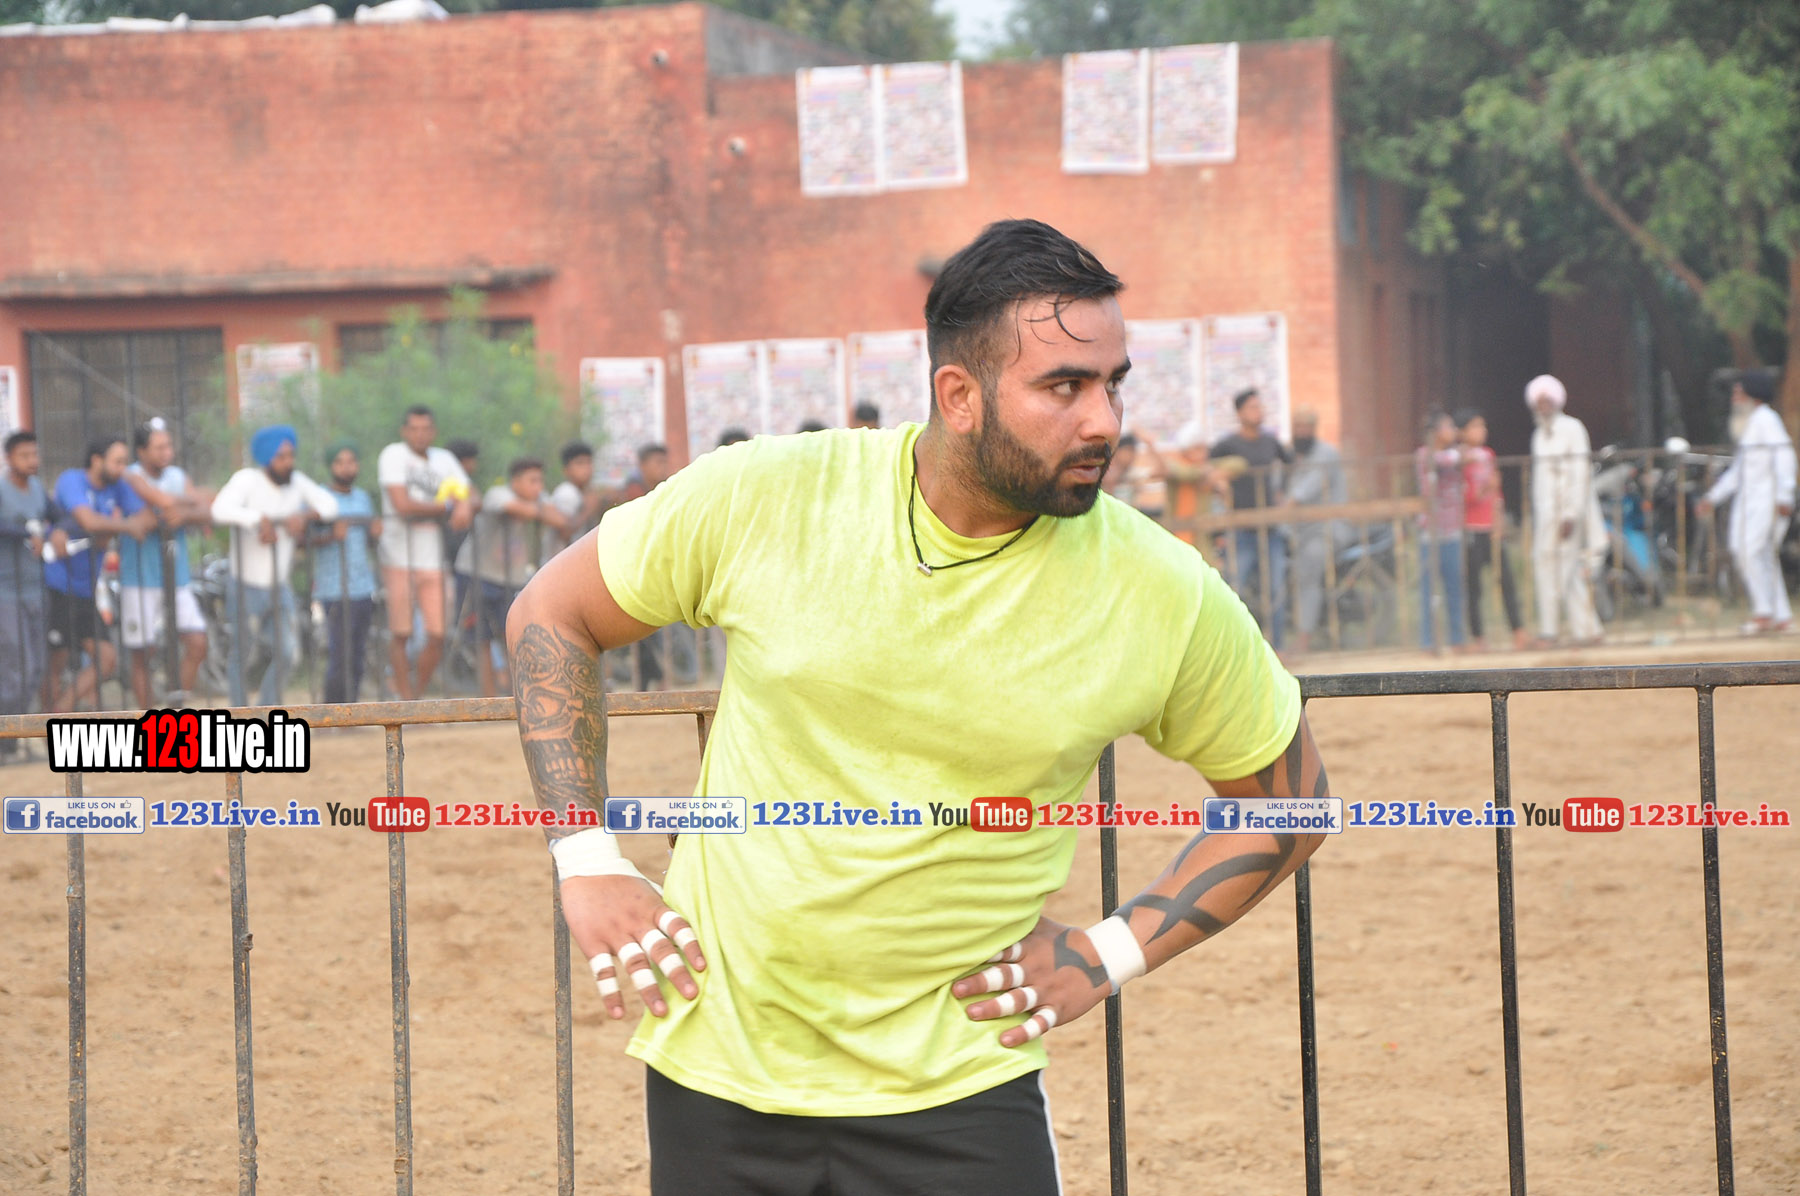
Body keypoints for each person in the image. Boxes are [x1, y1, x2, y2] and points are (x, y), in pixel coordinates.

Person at [504, 218, 1330, 1196]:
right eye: (1064, 387)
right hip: (719, 1062)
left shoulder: (1160, 589)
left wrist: (1108, 950)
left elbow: (1291, 802)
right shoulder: (771, 495)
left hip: (963, 1082)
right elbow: (552, 611)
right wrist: (586, 857)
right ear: (959, 396)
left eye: (1114, 384)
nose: (1104, 421)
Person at [210, 425, 339, 705]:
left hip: (278, 586)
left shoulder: (297, 482)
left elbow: (330, 504)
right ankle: (239, 714)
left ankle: (264, 710)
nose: (288, 462)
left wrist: (305, 516)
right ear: (267, 457)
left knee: (289, 653)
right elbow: (219, 510)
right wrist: (258, 519)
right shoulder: (247, 480)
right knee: (242, 654)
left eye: (291, 455)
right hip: (244, 584)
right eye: (281, 457)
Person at [46, 436, 156, 711]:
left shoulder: (118, 485)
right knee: (55, 661)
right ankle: (45, 722)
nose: (123, 468)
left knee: (106, 659)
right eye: (117, 461)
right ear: (97, 460)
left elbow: (147, 518)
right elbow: (88, 521)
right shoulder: (72, 480)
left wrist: (108, 527)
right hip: (56, 584)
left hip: (85, 588)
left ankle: (58, 713)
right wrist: (123, 526)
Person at [377, 405, 473, 699]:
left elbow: (469, 493)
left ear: (434, 432)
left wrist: (465, 504)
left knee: (438, 634)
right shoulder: (393, 455)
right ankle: (405, 698)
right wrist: (448, 507)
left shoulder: (444, 459)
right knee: (401, 633)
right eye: (414, 429)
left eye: (425, 429)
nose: (419, 435)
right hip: (398, 556)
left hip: (434, 558)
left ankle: (414, 698)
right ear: (404, 431)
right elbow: (402, 505)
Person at [118, 418, 212, 706]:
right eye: (159, 447)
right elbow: (165, 504)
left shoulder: (177, 475)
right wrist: (185, 501)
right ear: (141, 451)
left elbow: (206, 507)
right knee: (142, 653)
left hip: (177, 576)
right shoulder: (130, 476)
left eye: (168, 446)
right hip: (139, 577)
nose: (166, 452)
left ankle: (175, 711)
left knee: (197, 642)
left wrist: (183, 512)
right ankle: (147, 719)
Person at [456, 457, 570, 696]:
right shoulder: (498, 493)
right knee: (481, 639)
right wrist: (539, 511)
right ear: (515, 481)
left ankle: (515, 697)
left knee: (514, 636)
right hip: (478, 574)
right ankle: (489, 700)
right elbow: (512, 508)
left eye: (540, 481)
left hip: (510, 579)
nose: (538, 487)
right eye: (532, 481)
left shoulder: (539, 499)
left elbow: (561, 521)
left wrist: (538, 509)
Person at [1699, 369, 1796, 634]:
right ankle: (1780, 616)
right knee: (1759, 554)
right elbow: (1739, 471)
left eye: (1739, 392)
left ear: (1753, 394)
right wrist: (1712, 497)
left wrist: (1785, 495)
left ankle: (1764, 613)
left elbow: (1784, 457)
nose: (1734, 397)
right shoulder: (1751, 423)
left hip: (1768, 500)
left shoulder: (1767, 419)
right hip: (1749, 501)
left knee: (1750, 551)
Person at [1211, 389, 1293, 648]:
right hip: (1241, 528)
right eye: (1252, 407)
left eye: (1259, 406)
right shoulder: (1228, 444)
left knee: (1276, 589)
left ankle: (1277, 646)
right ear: (1239, 413)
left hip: (1270, 527)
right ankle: (1234, 646)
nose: (1258, 412)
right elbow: (1207, 469)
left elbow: (1290, 464)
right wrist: (1221, 487)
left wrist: (1283, 493)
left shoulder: (1270, 442)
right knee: (1234, 589)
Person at [1526, 375, 1604, 646]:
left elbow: (1580, 473)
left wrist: (1571, 513)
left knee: (1564, 570)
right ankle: (1586, 631)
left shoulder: (1572, 428)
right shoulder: (1538, 435)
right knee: (1547, 566)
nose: (1543, 406)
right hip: (1545, 513)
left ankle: (1554, 631)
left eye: (1547, 401)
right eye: (1539, 402)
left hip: (1569, 512)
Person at [0, 431, 60, 759]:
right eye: (25, 455)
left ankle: (14, 740)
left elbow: (59, 515)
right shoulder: (2, 490)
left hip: (36, 588)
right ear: (9, 458)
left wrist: (58, 530)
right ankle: (5, 741)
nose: (32, 461)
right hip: (6, 592)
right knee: (15, 669)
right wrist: (27, 531)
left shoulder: (37, 489)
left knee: (35, 667)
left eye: (34, 454)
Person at [313, 443, 382, 703]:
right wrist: (331, 535)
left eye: (351, 461)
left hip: (362, 586)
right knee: (339, 654)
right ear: (331, 466)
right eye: (340, 462)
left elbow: (368, 540)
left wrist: (375, 533)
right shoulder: (320, 498)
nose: (346, 467)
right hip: (334, 587)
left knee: (358, 653)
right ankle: (332, 711)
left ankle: (351, 709)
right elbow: (303, 540)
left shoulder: (363, 498)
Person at [1457, 411, 1527, 650]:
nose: (1482, 431)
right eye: (1475, 426)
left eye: (1483, 426)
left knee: (1506, 581)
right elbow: (1465, 496)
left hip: (1491, 528)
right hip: (1471, 529)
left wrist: (1499, 522)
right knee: (1474, 587)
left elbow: (1497, 493)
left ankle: (1518, 631)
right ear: (1463, 431)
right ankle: (1478, 637)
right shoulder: (1460, 459)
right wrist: (1485, 488)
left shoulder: (1488, 455)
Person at [1284, 408, 1347, 655]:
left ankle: (1303, 640)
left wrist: (1285, 505)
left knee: (1307, 572)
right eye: (1298, 427)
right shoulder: (1293, 456)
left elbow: (1303, 492)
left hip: (1327, 529)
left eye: (1306, 427)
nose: (1302, 432)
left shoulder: (1325, 454)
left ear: (1313, 428)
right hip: (1299, 531)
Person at [1415, 411, 1467, 653]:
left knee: (1454, 588)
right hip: (1430, 531)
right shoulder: (1424, 454)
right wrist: (1461, 453)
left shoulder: (1454, 454)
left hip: (1452, 530)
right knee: (1429, 590)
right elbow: (1445, 460)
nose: (1453, 431)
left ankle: (1457, 639)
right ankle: (1428, 641)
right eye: (1449, 426)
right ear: (1435, 432)